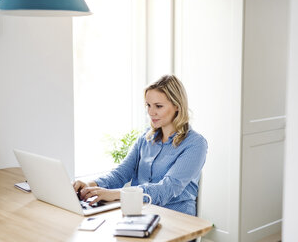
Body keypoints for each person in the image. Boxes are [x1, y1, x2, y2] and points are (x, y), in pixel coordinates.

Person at [73, 74, 208, 216]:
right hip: (139, 213)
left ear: (177, 106)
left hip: (176, 218)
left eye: (158, 106)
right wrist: (90, 186)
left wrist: (114, 194)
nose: (151, 112)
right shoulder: (145, 138)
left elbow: (166, 189)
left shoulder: (195, 144)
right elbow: (120, 174)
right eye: (148, 105)